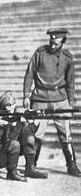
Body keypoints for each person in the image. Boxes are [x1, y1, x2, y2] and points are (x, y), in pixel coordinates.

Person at [23, 28, 81, 177]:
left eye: (56, 43)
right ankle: (31, 166)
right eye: (51, 42)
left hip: (60, 100)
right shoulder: (40, 53)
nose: (52, 46)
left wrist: (70, 102)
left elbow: (71, 82)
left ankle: (72, 165)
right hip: (40, 99)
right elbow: (29, 74)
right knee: (36, 134)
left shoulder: (67, 58)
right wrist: (26, 95)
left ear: (62, 42)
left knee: (66, 135)